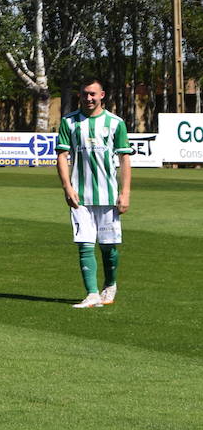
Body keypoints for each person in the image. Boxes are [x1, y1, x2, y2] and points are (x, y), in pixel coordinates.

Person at [55, 78, 132, 309]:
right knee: (85, 244)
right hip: (80, 197)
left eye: (93, 94)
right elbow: (61, 156)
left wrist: (125, 192)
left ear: (102, 95)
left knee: (109, 247)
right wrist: (67, 188)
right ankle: (91, 294)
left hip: (108, 195)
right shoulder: (69, 122)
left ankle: (110, 284)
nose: (89, 98)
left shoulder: (115, 123)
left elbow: (124, 158)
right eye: (85, 94)